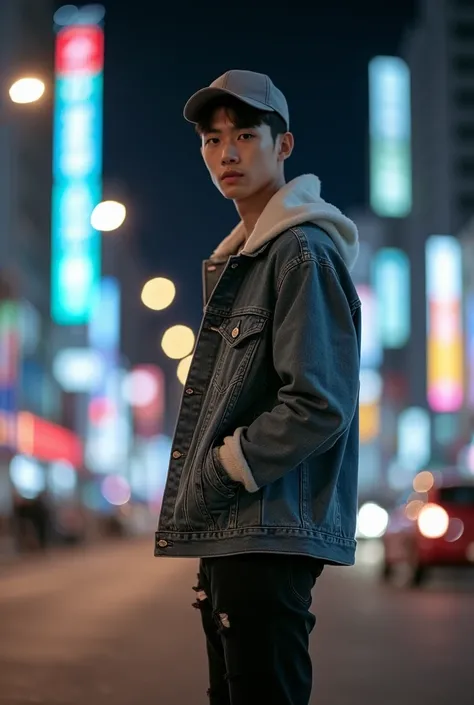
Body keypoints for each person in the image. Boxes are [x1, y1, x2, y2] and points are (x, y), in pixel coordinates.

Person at [155, 69, 361, 705]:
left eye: (246, 134)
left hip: (266, 532)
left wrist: (226, 467)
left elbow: (320, 401)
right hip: (238, 529)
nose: (228, 153)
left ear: (284, 146)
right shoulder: (247, 260)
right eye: (214, 140)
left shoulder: (301, 252)